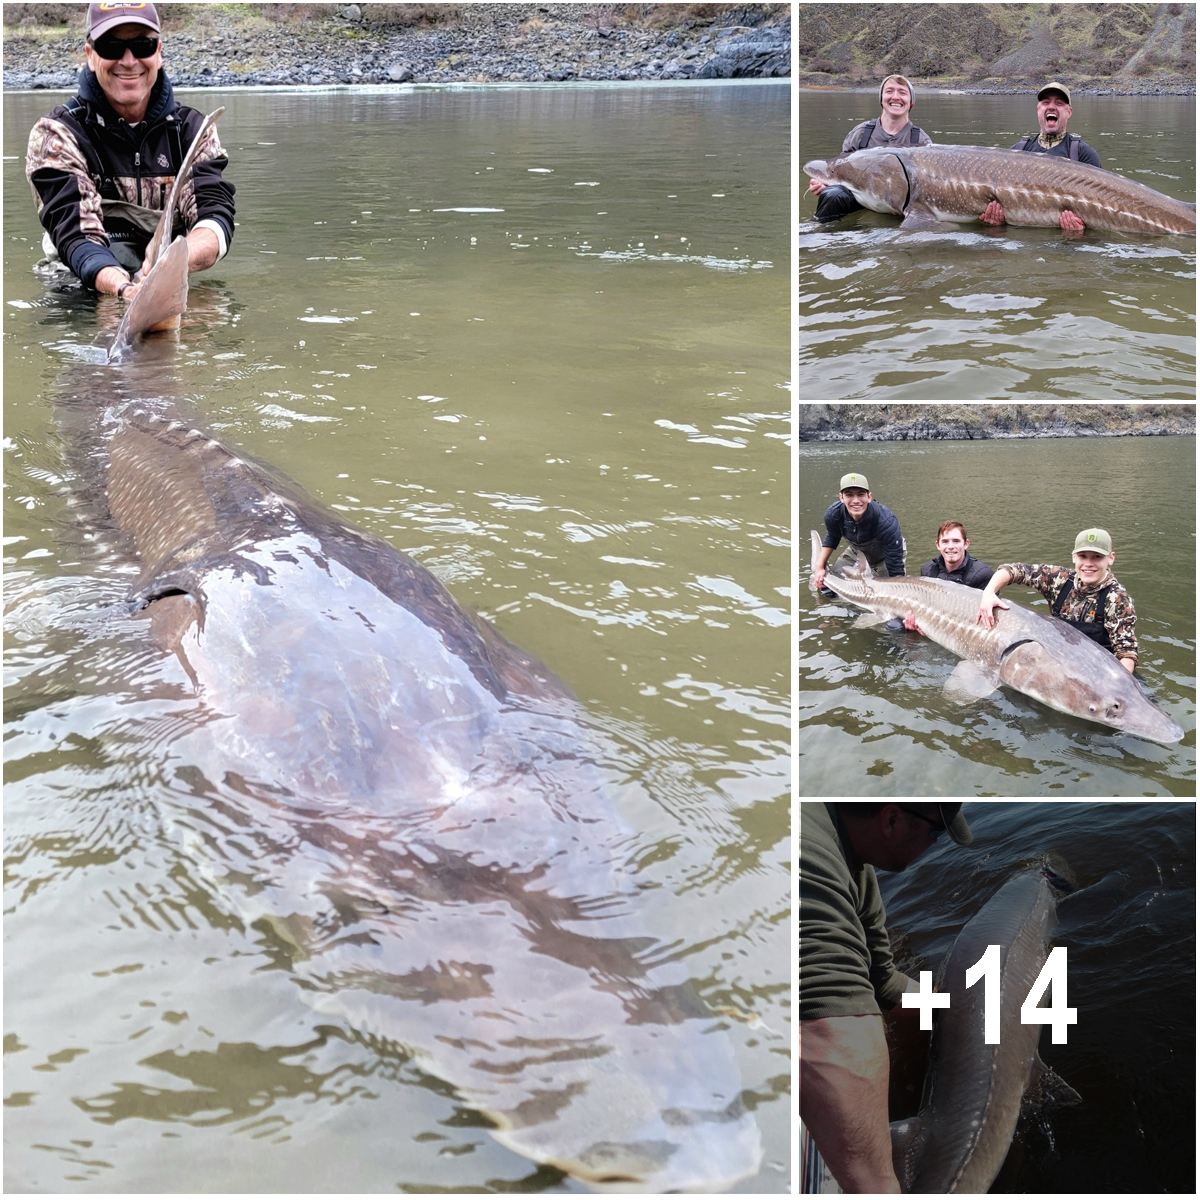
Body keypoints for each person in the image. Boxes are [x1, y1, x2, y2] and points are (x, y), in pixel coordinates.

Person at [800, 803, 974, 1193]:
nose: (936, 846)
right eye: (936, 834)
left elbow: (882, 982)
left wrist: (953, 1008)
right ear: (891, 818)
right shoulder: (804, 853)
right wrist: (878, 1185)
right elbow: (831, 1027)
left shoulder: (858, 869)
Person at [25, 2, 235, 305]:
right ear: (90, 55)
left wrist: (173, 264)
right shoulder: (56, 135)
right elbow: (75, 235)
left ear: (159, 52)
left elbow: (214, 218)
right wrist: (123, 289)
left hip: (167, 281)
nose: (128, 60)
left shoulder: (192, 131)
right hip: (80, 287)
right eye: (111, 46)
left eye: (142, 45)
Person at [976, 528, 1139, 674]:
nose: (1088, 564)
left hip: (1099, 672)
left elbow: (1127, 655)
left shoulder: (1118, 599)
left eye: (1097, 557)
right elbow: (1014, 570)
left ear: (1110, 558)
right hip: (1060, 661)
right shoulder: (1060, 580)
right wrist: (989, 593)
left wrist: (1111, 687)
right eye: (1083, 556)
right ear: (1074, 557)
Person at [809, 75, 932, 223]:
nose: (895, 97)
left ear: (911, 102)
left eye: (902, 92)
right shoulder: (860, 133)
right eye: (889, 91)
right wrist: (825, 184)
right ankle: (823, 235)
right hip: (861, 198)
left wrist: (907, 203)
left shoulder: (921, 140)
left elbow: (928, 186)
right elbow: (841, 168)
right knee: (832, 195)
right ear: (881, 99)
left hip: (901, 205)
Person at [980, 82, 1101, 233]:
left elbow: (1099, 213)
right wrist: (995, 225)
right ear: (1038, 110)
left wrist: (1079, 233)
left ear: (1069, 112)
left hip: (1063, 250)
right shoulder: (1017, 151)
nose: (1051, 107)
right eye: (1045, 102)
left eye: (1059, 103)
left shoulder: (1083, 154)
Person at [812, 472, 906, 594]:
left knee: (891, 592)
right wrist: (819, 567)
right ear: (841, 497)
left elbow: (895, 565)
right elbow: (832, 537)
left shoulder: (886, 521)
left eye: (861, 494)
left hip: (886, 555)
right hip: (857, 551)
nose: (855, 500)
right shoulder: (833, 514)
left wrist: (899, 591)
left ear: (869, 497)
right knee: (829, 589)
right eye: (849, 495)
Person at [919, 520, 994, 588]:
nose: (950, 547)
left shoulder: (982, 573)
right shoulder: (927, 570)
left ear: (966, 544)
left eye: (956, 541)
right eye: (945, 541)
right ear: (938, 545)